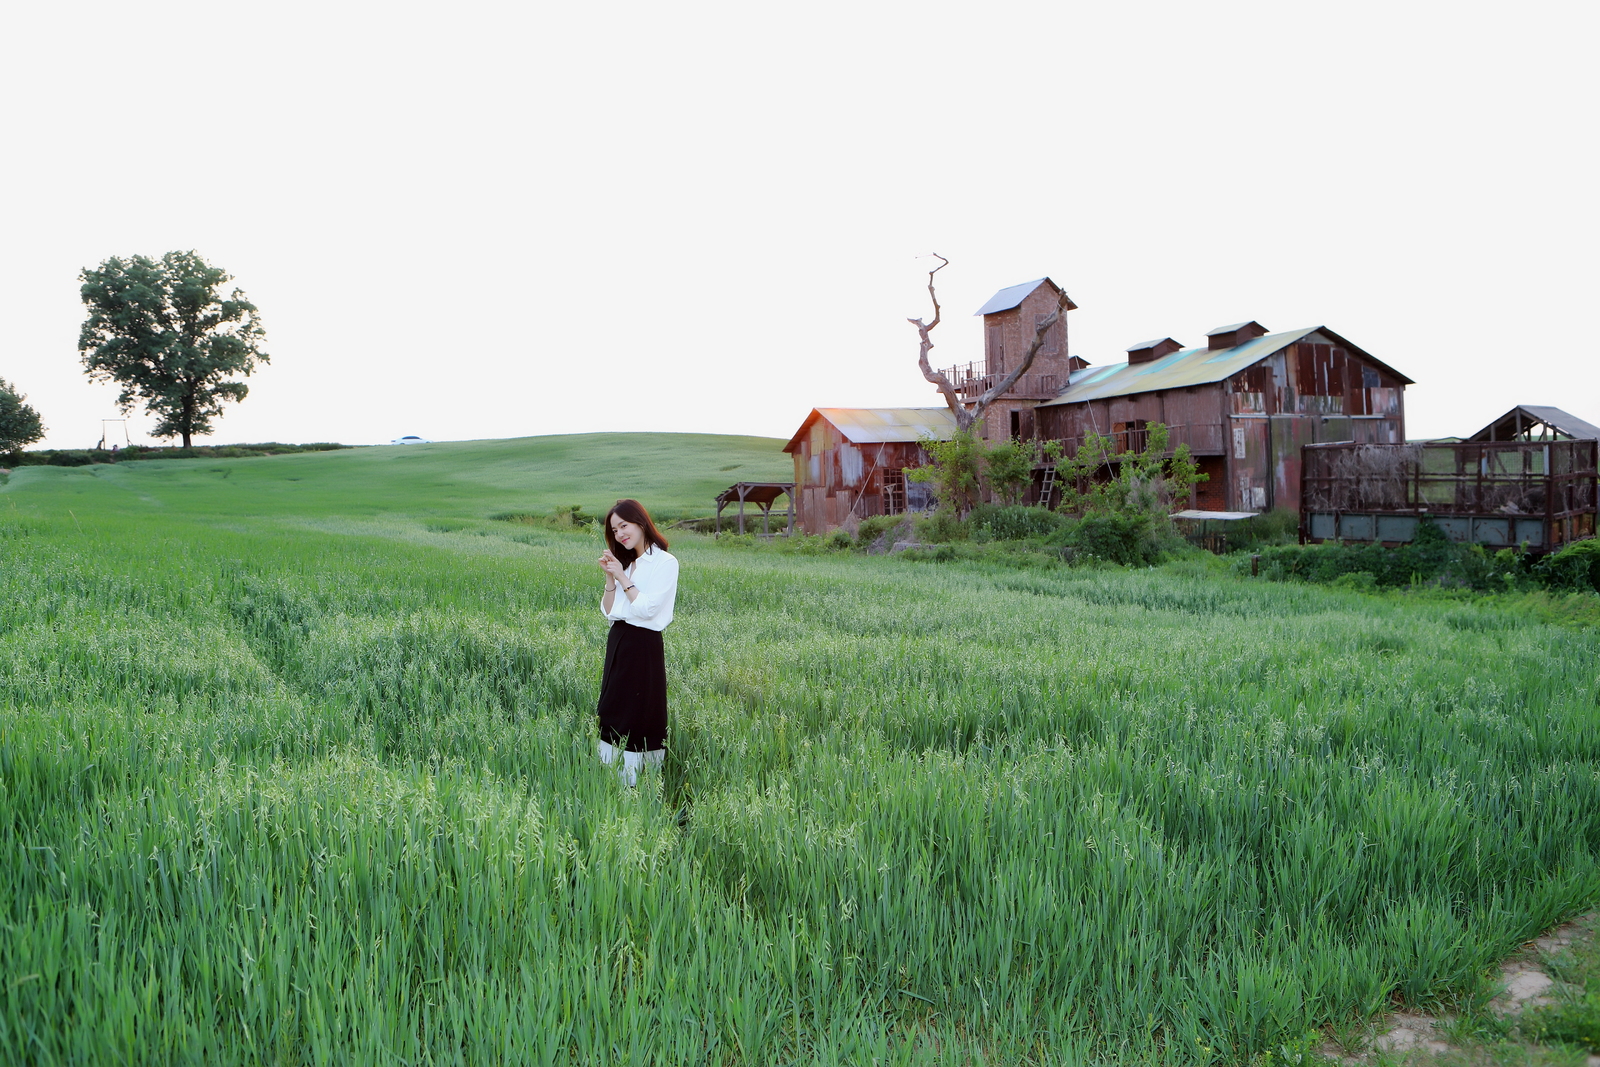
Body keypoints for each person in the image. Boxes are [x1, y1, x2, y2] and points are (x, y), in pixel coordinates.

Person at [596, 499, 678, 786]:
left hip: (643, 645)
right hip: (618, 641)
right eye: (614, 530)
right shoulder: (627, 563)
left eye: (624, 526)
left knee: (639, 712)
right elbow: (609, 611)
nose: (619, 534)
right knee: (612, 707)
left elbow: (647, 610)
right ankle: (611, 775)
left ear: (641, 523)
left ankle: (640, 781)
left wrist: (621, 576)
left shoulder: (665, 562)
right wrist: (611, 578)